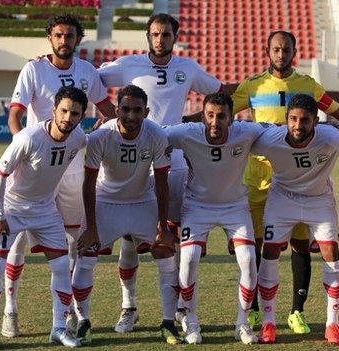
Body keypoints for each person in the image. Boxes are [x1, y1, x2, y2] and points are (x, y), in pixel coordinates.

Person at [97, 14, 235, 335]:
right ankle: (129, 307)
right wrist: (108, 117)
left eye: (166, 34)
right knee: (130, 241)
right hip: (137, 164)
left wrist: (191, 120)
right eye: (155, 34)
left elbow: (221, 94)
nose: (160, 39)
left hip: (176, 166)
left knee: (175, 242)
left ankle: (181, 311)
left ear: (175, 36)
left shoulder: (187, 67)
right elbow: (90, 79)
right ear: (148, 36)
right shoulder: (128, 64)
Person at [230, 30, 339, 334]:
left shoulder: (309, 86)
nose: (281, 54)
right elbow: (220, 117)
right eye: (276, 49)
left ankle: (297, 311)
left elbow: (338, 111)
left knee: (301, 245)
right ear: (267, 50)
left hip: (300, 179)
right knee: (259, 247)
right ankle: (258, 311)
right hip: (259, 179)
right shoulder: (252, 85)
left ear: (294, 51)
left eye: (286, 49)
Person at [2, 14, 115, 338]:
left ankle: (64, 315)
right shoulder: (34, 69)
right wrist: (20, 146)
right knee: (17, 244)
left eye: (69, 35)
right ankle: (10, 310)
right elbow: (15, 114)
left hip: (70, 167)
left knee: (70, 242)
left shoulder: (86, 71)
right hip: (33, 168)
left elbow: (106, 110)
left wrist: (90, 134)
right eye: (58, 35)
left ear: (78, 39)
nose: (64, 40)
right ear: (49, 37)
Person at [0, 87, 88, 350]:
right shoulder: (29, 137)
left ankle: (59, 329)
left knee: (62, 266)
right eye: (63, 110)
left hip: (45, 210)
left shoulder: (79, 138)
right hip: (12, 209)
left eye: (75, 113)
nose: (68, 118)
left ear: (82, 116)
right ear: (53, 110)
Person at [163, 93, 271, 344]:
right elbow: (154, 132)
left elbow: (278, 129)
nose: (215, 121)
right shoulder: (186, 132)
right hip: (197, 206)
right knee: (188, 259)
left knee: (248, 259)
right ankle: (190, 318)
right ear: (202, 117)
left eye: (221, 116)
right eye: (210, 116)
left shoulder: (246, 131)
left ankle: (242, 322)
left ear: (231, 118)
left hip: (235, 206)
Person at [72, 85, 175, 345]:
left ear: (147, 112)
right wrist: (91, 227)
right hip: (106, 201)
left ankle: (168, 322)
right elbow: (89, 183)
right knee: (85, 253)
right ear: (116, 110)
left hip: (142, 201)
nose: (131, 116)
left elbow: (162, 185)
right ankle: (82, 321)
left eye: (137, 110)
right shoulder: (100, 137)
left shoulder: (155, 135)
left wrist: (163, 226)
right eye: (125, 110)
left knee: (165, 251)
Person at [251, 94, 339, 344]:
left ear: (316, 121)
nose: (298, 125)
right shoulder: (269, 139)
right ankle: (268, 323)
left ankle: (332, 324)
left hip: (318, 200)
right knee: (270, 253)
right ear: (286, 119)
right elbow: (237, 140)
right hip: (282, 198)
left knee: (330, 252)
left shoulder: (332, 139)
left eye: (305, 120)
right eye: (293, 119)